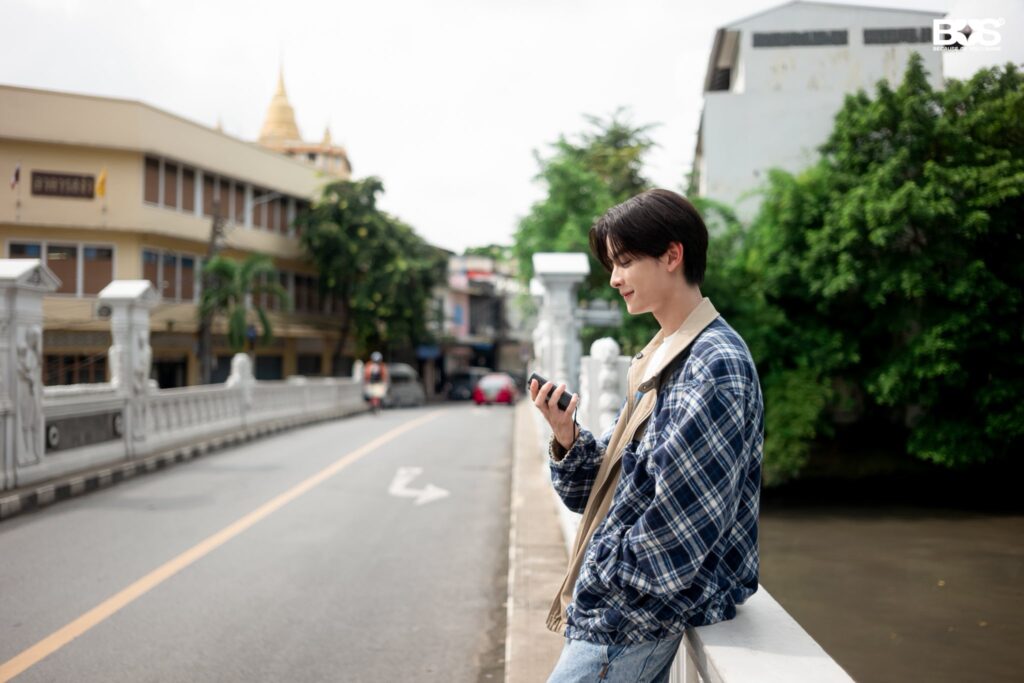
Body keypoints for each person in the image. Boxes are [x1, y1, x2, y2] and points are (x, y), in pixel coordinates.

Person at [531, 189, 764, 683]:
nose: (614, 278)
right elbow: (603, 490)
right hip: (617, 614)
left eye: (625, 261)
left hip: (631, 620)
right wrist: (567, 436)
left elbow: (680, 529)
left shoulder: (713, 364)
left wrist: (602, 574)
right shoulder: (663, 353)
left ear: (672, 255)